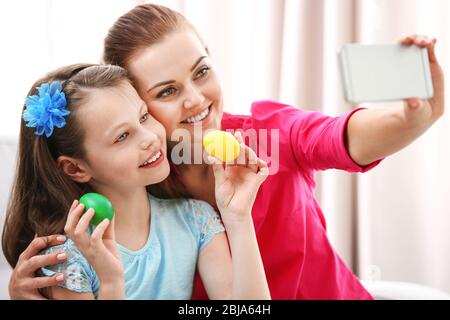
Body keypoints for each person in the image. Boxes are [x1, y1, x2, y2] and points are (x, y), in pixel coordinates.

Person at [8, 4, 445, 300]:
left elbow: (337, 136)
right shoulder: (147, 179)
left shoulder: (264, 139)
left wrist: (410, 119)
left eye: (202, 72)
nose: (196, 99)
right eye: (167, 92)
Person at [2, 63, 270, 299]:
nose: (150, 137)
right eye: (122, 136)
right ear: (75, 168)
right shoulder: (66, 259)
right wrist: (111, 281)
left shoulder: (196, 220)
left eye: (143, 117)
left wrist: (238, 218)